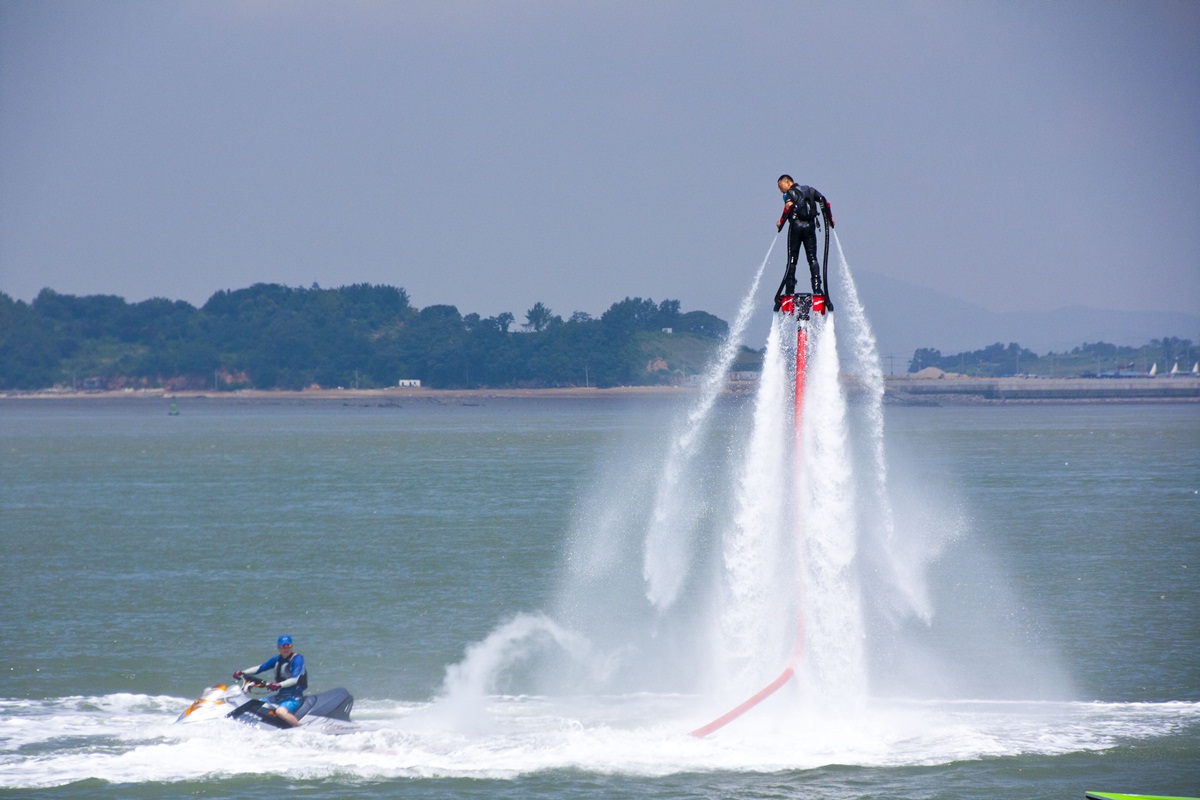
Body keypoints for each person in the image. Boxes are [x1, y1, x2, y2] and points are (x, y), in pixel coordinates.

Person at [773, 175, 834, 312]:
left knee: (792, 259)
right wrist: (830, 220)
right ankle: (817, 288)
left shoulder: (790, 193)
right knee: (812, 258)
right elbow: (824, 201)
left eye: (781, 187)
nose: (781, 191)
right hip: (810, 227)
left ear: (788, 183)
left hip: (796, 227)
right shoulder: (810, 190)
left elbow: (788, 206)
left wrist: (781, 222)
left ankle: (789, 289)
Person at [233, 634, 308, 727]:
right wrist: (242, 672)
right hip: (280, 696)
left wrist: (278, 685)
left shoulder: (297, 659)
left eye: (288, 646)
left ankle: (300, 728)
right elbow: (260, 668)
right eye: (283, 646)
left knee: (280, 712)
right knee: (255, 704)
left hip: (294, 697)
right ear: (278, 647)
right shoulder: (277, 659)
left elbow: (294, 680)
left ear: (291, 646)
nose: (286, 648)